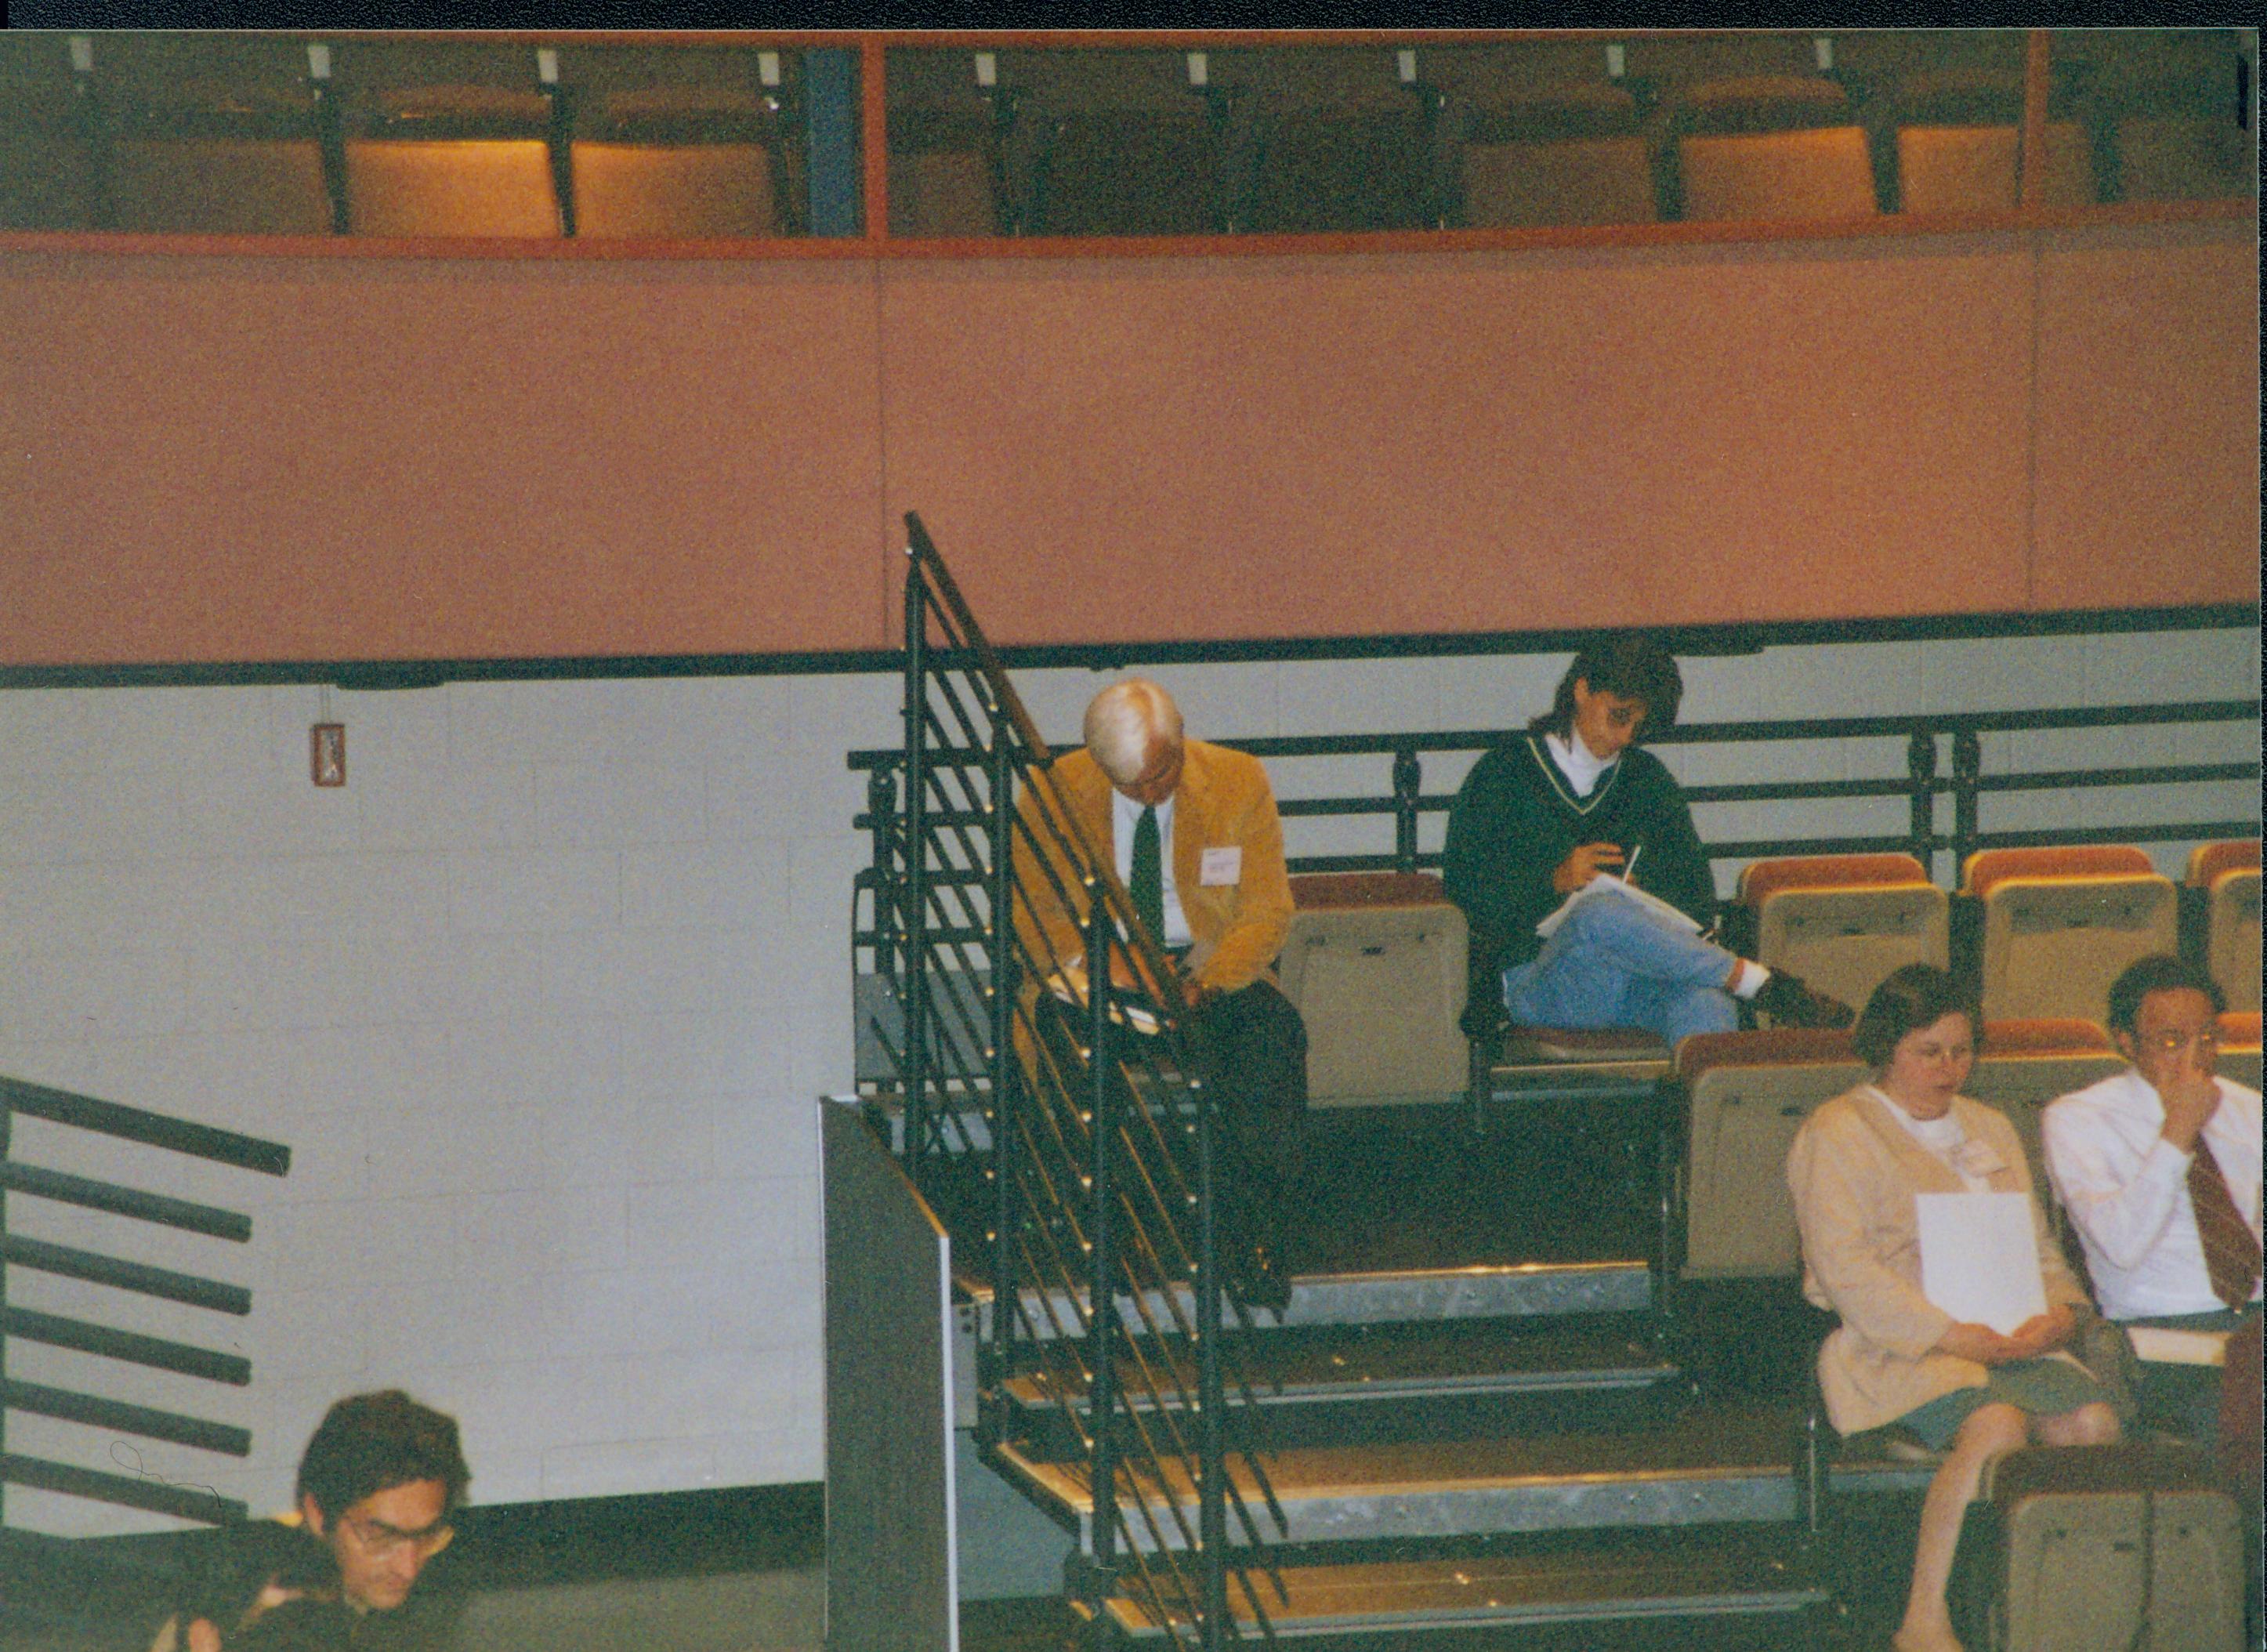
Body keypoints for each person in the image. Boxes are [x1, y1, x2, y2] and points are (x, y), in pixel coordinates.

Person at [1788, 964, 2118, 1652]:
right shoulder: (1838, 1129)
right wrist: (1950, 1334)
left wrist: (2061, 1310)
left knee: (2092, 1421)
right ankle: (1924, 1617)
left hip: (2012, 1337)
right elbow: (1844, 1270)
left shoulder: (1990, 1126)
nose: (1948, 1068)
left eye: (1961, 1051)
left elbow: (2039, 1246)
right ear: (1886, 1049)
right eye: (1927, 1052)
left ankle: (2056, 1614)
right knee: (1995, 1423)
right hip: (1898, 1347)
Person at [1016, 679, 1307, 1312]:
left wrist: (1205, 982)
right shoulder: (1052, 793)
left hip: (1206, 966)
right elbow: (1029, 910)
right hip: (1102, 973)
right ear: (1099, 766)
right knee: (1065, 1037)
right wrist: (1106, 960)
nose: (1151, 793)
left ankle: (1252, 1237)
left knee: (1272, 1034)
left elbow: (1266, 909)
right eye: (1131, 785)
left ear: (1180, 740)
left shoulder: (1238, 779)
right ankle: (1105, 1235)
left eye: (1161, 772)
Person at [1443, 634, 1850, 1049]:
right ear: (1582, 690)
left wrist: (1641, 908)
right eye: (1619, 716)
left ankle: (1707, 1110)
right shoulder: (1503, 775)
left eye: (1638, 726)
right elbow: (1466, 899)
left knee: (1706, 1002)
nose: (1624, 738)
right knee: (1599, 914)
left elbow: (1695, 900)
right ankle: (1758, 983)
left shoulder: (1648, 781)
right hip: (1539, 982)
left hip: (1639, 976)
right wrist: (1555, 882)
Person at [2041, 954, 2262, 1439]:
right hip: (2162, 1339)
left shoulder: (2249, 1109)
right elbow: (2121, 1246)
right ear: (2125, 1041)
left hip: (2255, 1326)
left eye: (2207, 1037)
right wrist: (2178, 1131)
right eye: (2170, 1041)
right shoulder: (2078, 1118)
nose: (2194, 1057)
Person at [150, 1390, 469, 1651]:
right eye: (380, 1536)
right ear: (318, 1514)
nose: (408, 1567)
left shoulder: (432, 1611)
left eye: (428, 1536)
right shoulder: (258, 1596)